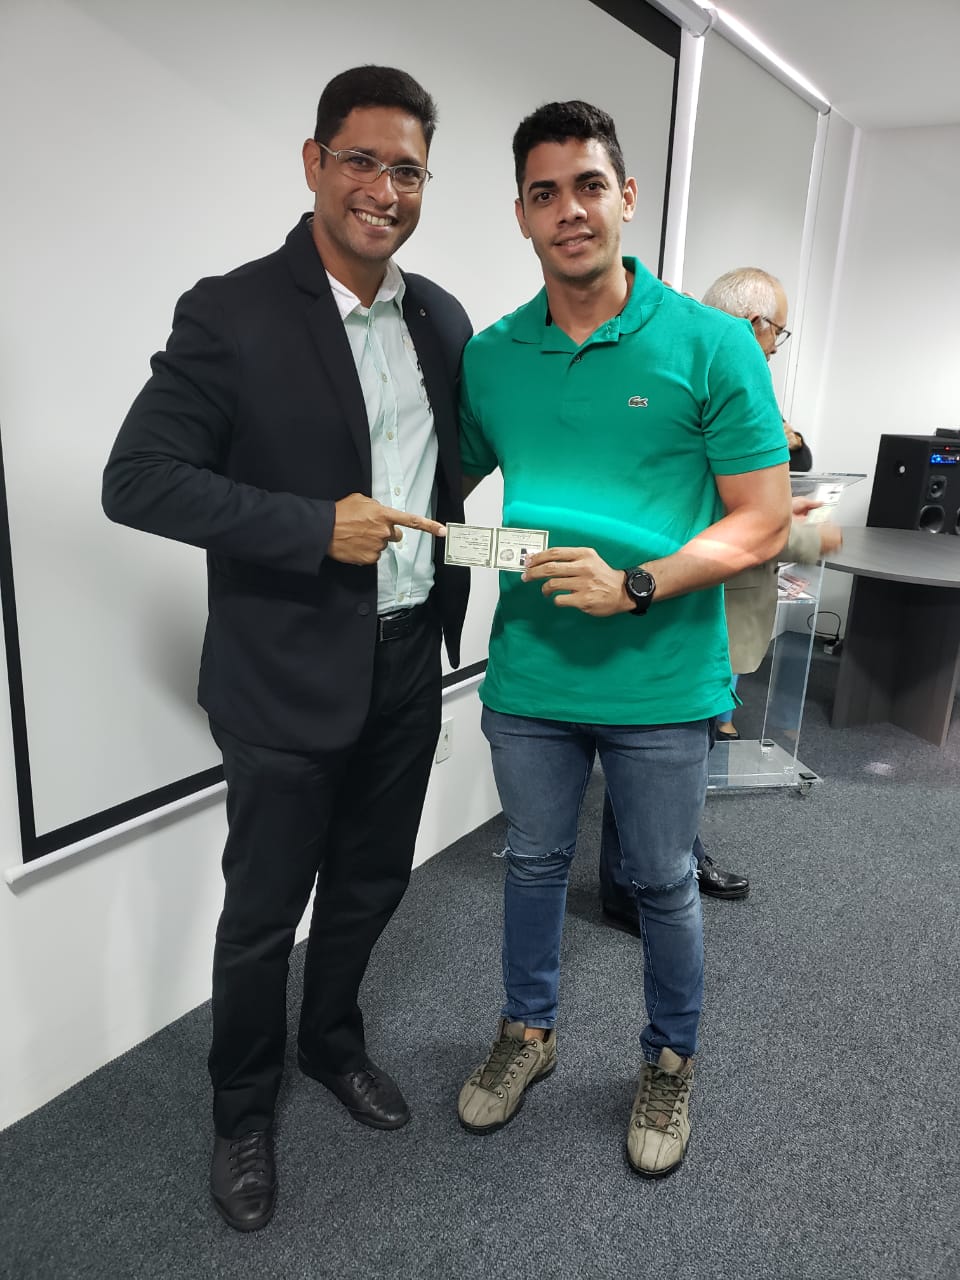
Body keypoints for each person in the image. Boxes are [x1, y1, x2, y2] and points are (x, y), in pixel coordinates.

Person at [101, 66, 471, 1233]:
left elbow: (453, 469)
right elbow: (137, 479)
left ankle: (332, 1040)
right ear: (314, 162)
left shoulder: (441, 317)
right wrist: (316, 527)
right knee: (263, 912)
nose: (384, 189)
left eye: (407, 169)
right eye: (361, 160)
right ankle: (241, 1109)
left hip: (408, 659)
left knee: (370, 880)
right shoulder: (233, 311)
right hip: (283, 671)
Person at [455, 101, 791, 1178]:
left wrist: (637, 583)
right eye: (544, 192)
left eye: (589, 185)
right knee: (533, 864)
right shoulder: (492, 356)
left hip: (661, 681)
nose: (570, 210)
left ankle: (670, 1058)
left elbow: (761, 519)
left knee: (660, 880)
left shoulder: (712, 344)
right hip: (530, 678)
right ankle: (527, 1031)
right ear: (521, 214)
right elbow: (439, 479)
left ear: (626, 197)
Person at [601, 267, 842, 914]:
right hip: (692, 603)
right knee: (657, 753)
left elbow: (754, 484)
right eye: (777, 331)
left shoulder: (694, 368)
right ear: (753, 324)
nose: (775, 347)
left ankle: (668, 864)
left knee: (672, 755)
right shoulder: (701, 378)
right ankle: (633, 888)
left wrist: (783, 512)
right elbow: (718, 516)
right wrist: (802, 536)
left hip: (695, 602)